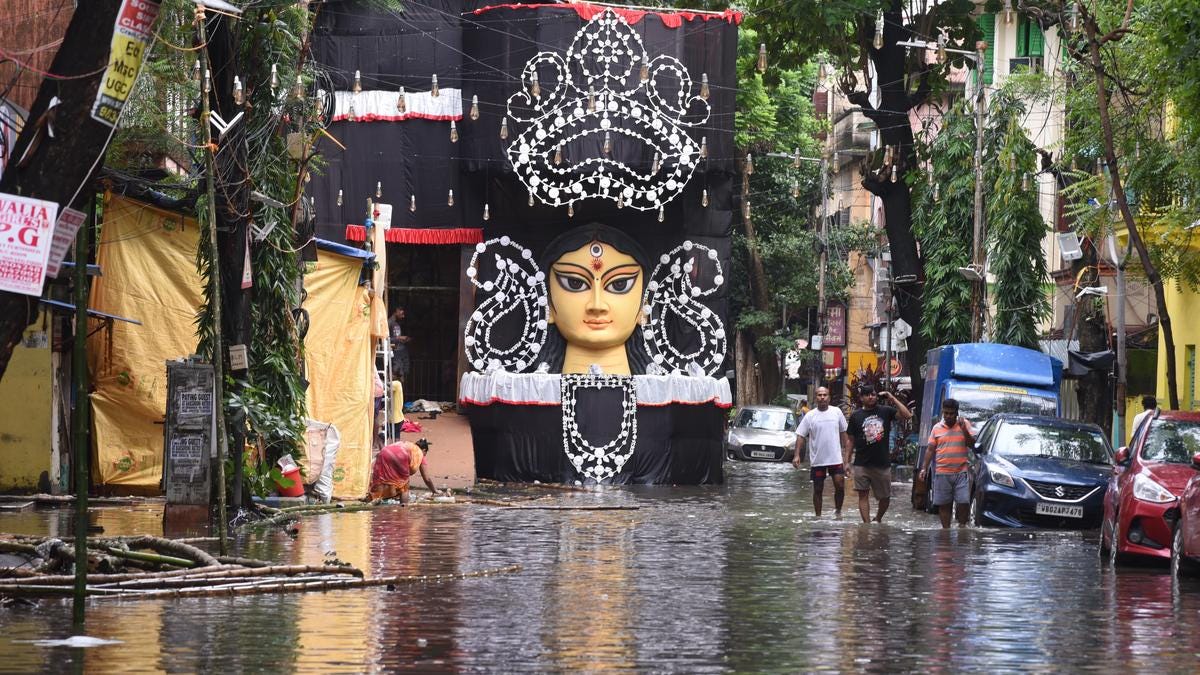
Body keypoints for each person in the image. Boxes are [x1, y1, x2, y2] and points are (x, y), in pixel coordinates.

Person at [538, 223, 654, 375]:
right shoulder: (520, 390)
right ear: (547, 302)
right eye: (575, 283)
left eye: (619, 284)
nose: (597, 305)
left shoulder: (669, 391)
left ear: (645, 305)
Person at [847, 384, 912, 523]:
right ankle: (867, 524)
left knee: (885, 497)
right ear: (861, 398)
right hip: (861, 464)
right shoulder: (855, 416)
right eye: (867, 394)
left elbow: (907, 415)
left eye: (873, 394)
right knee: (863, 495)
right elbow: (850, 440)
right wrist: (847, 462)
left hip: (882, 464)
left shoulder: (885, 411)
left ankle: (878, 519)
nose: (871, 397)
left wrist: (892, 398)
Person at [793, 386, 850, 518]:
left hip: (835, 458)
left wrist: (847, 458)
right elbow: (800, 435)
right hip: (818, 460)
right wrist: (796, 455)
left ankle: (838, 512)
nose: (822, 397)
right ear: (816, 398)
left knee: (840, 485)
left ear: (829, 397)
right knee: (818, 489)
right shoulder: (810, 416)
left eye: (825, 395)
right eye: (819, 395)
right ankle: (818, 516)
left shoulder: (836, 412)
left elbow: (844, 435)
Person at [920, 398, 975, 528]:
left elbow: (972, 444)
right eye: (946, 413)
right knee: (944, 504)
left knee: (963, 502)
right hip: (942, 472)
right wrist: (924, 468)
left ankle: (962, 528)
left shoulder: (964, 424)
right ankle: (946, 532)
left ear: (957, 413)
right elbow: (930, 449)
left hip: (961, 472)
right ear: (943, 413)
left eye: (951, 413)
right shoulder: (936, 428)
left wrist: (964, 430)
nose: (948, 416)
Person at [368, 438, 438, 503]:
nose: (424, 456)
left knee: (383, 479)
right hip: (400, 455)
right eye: (425, 454)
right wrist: (434, 490)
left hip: (384, 452)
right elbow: (427, 478)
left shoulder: (408, 445)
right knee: (404, 484)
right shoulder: (418, 453)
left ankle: (373, 501)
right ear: (424, 450)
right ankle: (403, 506)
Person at [388, 306, 411, 380]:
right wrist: (399, 338)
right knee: (396, 371)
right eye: (402, 313)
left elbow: (396, 337)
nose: (403, 316)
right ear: (397, 311)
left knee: (404, 371)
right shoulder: (389, 322)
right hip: (395, 352)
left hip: (401, 351)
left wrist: (403, 339)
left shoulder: (397, 324)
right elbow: (385, 338)